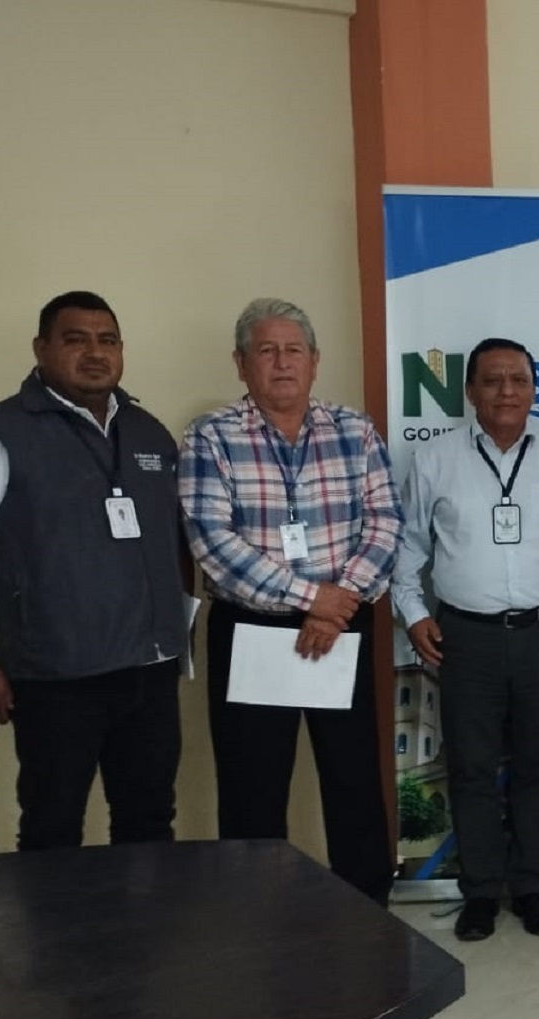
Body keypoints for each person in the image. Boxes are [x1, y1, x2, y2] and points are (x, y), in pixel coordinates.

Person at [0, 291, 185, 851]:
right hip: (57, 678)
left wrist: (177, 633)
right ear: (41, 349)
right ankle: (55, 919)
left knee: (148, 823)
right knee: (53, 828)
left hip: (150, 672)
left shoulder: (148, 432)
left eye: (107, 340)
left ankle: (141, 916)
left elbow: (175, 544)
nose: (95, 353)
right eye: (75, 340)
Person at [180, 297, 402, 904]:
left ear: (314, 361)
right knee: (251, 788)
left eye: (293, 350)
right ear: (241, 363)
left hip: (344, 624)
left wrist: (339, 602)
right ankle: (260, 918)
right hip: (252, 628)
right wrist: (314, 598)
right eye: (266, 350)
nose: (282, 363)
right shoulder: (210, 436)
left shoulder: (354, 431)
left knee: (354, 779)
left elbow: (385, 522)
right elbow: (211, 540)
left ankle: (368, 909)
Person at [392, 338, 539, 942]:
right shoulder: (435, 459)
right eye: (492, 380)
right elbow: (408, 548)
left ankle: (531, 887)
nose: (506, 391)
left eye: (518, 380)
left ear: (535, 389)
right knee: (471, 767)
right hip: (465, 636)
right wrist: (413, 613)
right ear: (470, 391)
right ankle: (481, 891)